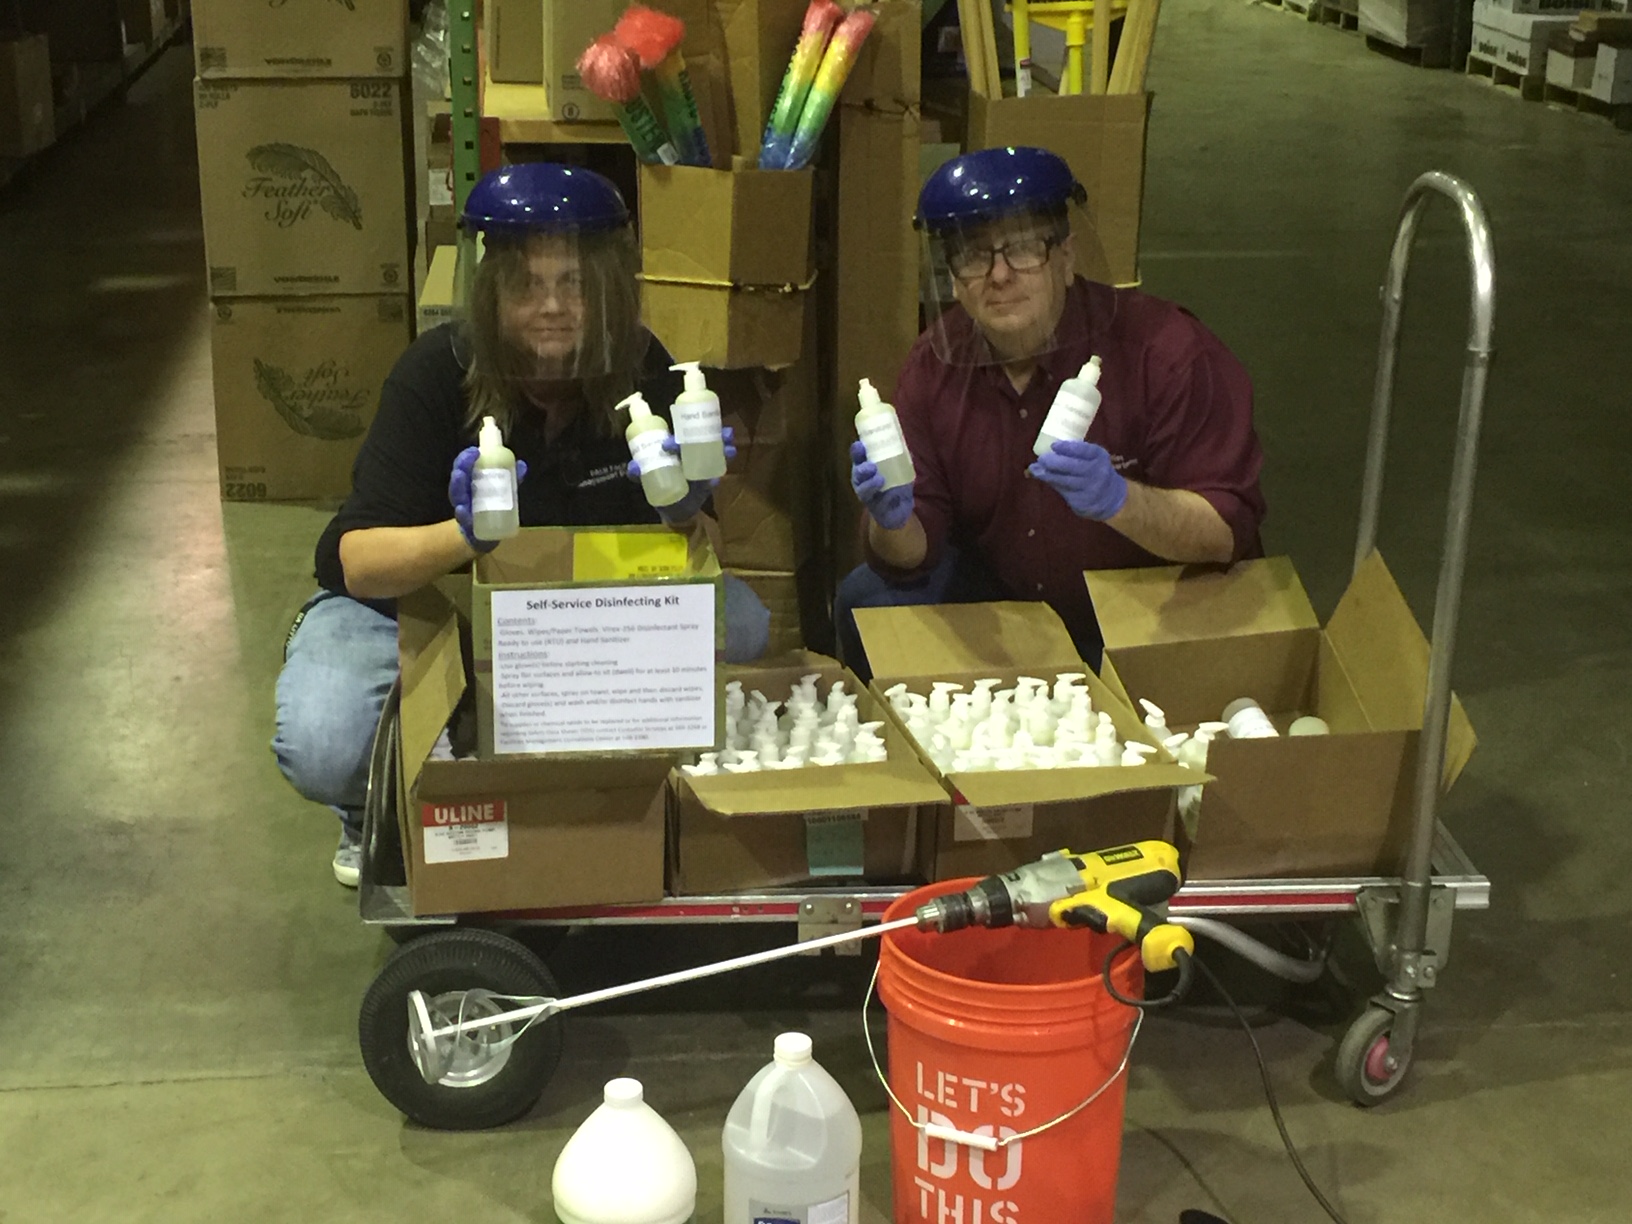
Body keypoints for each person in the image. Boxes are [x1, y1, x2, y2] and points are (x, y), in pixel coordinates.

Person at [273, 163, 768, 886]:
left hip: (568, 610)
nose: (553, 306)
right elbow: (359, 563)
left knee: (742, 623)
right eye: (527, 285)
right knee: (328, 735)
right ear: (489, 292)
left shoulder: (643, 368)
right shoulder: (432, 376)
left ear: (608, 290)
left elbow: (709, 562)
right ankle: (367, 808)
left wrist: (683, 507)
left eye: (574, 283)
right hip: (432, 610)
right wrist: (465, 536)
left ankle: (569, 760)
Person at [836, 146, 1266, 679]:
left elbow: (1225, 530)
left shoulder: (1166, 353)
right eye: (973, 255)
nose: (999, 275)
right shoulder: (933, 367)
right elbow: (912, 554)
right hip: (1013, 610)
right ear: (953, 278)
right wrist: (892, 523)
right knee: (866, 597)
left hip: (1146, 609)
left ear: (1066, 258)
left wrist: (1121, 501)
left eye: (1023, 249)